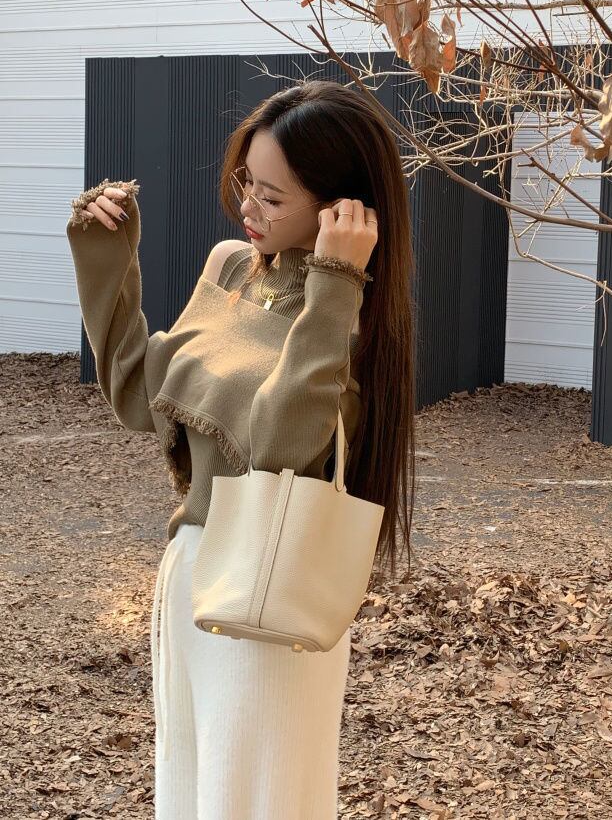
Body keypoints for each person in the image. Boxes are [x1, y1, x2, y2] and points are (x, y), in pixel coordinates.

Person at [65, 80, 417, 819]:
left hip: (270, 584)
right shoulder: (230, 267)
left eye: (273, 197)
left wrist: (336, 280)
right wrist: (107, 258)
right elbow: (139, 393)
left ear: (341, 209)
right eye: (245, 183)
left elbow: (280, 448)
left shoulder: (349, 315)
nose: (248, 209)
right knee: (190, 791)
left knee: (256, 802)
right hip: (189, 569)